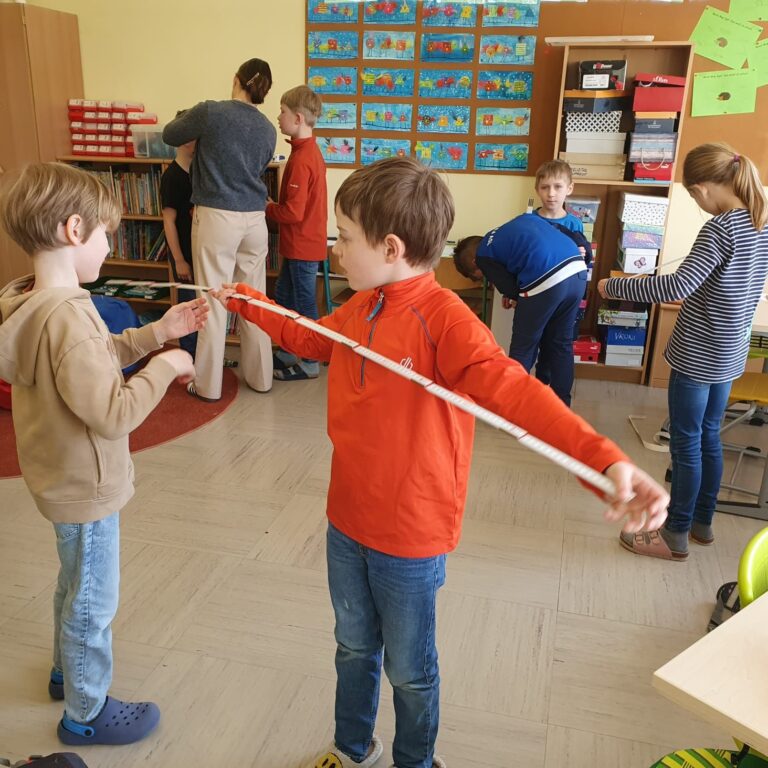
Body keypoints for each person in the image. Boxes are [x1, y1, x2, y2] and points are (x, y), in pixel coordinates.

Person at [211, 157, 670, 768]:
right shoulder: (363, 303)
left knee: (410, 670)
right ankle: (353, 749)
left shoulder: (447, 319)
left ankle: (416, 761)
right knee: (353, 647)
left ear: (391, 247)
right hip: (347, 520)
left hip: (410, 534)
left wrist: (603, 459)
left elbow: (516, 392)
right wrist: (244, 300)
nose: (336, 250)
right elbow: (311, 337)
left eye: (344, 238)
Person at [0, 162, 208, 745]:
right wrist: (167, 366)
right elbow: (113, 412)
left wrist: (155, 334)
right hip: (86, 486)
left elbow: (91, 360)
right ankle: (86, 712)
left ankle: (67, 672)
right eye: (105, 234)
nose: (110, 246)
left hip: (58, 478)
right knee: (92, 600)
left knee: (74, 585)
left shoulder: (34, 301)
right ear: (74, 230)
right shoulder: (69, 315)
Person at [598, 142, 768, 561]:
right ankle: (701, 523)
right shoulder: (760, 220)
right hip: (729, 352)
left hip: (698, 353)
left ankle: (674, 533)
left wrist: (613, 285)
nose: (697, 204)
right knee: (709, 435)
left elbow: (676, 286)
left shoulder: (721, 228)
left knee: (686, 442)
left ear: (703, 188)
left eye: (693, 196)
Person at [163, 57, 276, 401]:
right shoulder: (268, 128)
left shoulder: (211, 111)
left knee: (211, 302)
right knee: (253, 301)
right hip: (254, 219)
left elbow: (170, 134)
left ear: (236, 79)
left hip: (217, 217)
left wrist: (194, 118)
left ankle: (208, 386)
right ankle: (261, 378)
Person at [453, 210, 587, 406]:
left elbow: (509, 288)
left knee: (523, 347)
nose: (484, 279)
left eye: (478, 276)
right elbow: (569, 233)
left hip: (546, 278)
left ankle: (512, 405)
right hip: (578, 272)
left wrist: (516, 297)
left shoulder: (483, 254)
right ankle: (561, 407)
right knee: (561, 344)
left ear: (474, 263)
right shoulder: (522, 221)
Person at [266, 85, 327, 381]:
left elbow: (293, 213)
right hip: (298, 245)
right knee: (284, 295)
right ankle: (290, 350)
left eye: (283, 111)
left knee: (303, 303)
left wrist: (267, 208)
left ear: (298, 118)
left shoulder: (303, 159)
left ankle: (311, 361)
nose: (279, 117)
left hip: (303, 246)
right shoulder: (305, 151)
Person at [160, 115, 198, 359]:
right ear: (185, 140)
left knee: (202, 308)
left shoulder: (199, 173)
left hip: (199, 251)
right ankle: (189, 357)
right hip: (184, 254)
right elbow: (169, 221)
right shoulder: (172, 177)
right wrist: (180, 260)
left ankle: (203, 355)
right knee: (188, 308)